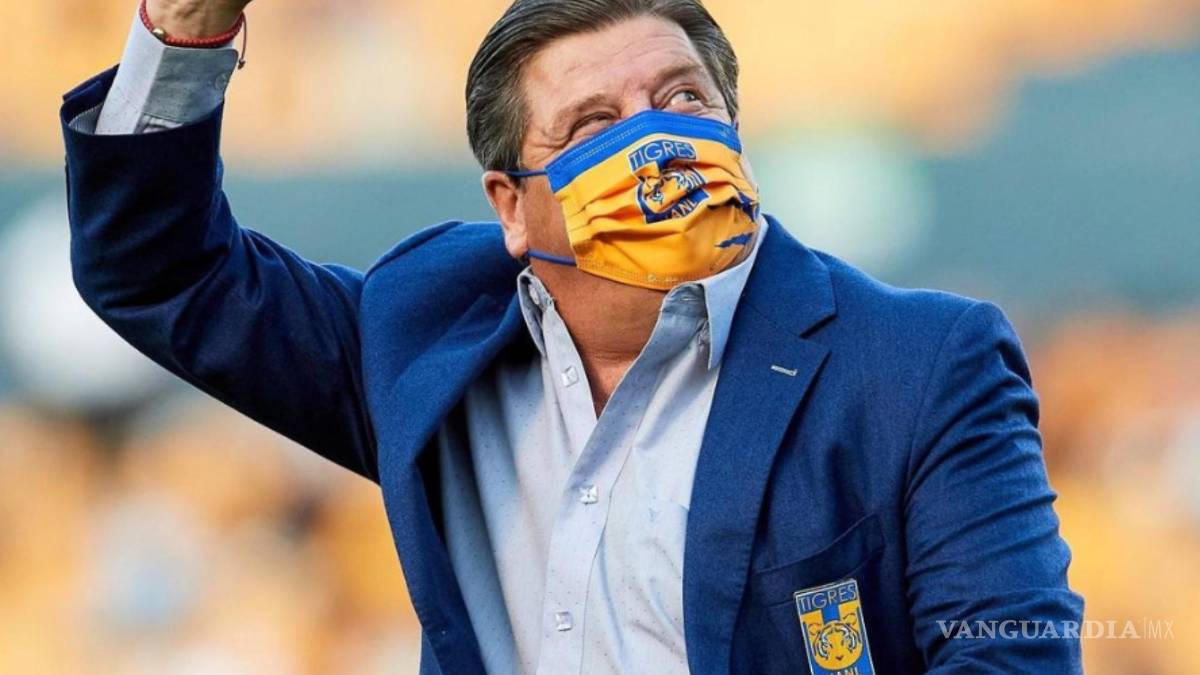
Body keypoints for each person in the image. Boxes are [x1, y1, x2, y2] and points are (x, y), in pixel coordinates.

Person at [60, 0, 1085, 672]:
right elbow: (160, 272)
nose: (657, 140)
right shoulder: (424, 338)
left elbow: (1013, 653)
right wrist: (186, 32)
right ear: (512, 205)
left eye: (682, 98)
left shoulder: (918, 362)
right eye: (594, 123)